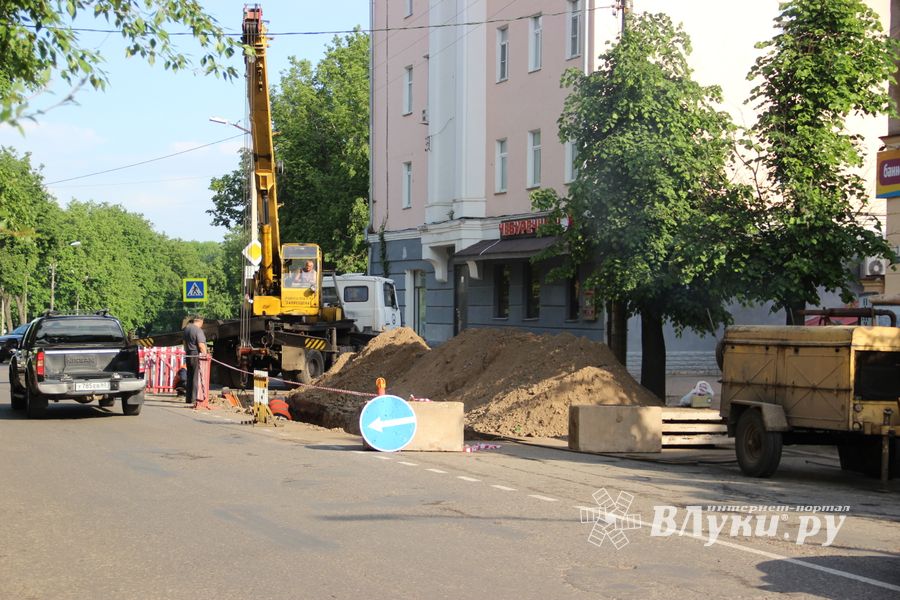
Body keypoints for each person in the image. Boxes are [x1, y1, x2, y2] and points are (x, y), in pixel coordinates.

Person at [182, 315, 207, 405]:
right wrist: (205, 355)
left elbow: (184, 343)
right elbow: (201, 345)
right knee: (195, 377)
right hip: (196, 354)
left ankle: (188, 398)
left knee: (189, 375)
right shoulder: (198, 330)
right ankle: (194, 398)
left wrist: (187, 351)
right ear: (200, 321)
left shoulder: (186, 329)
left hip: (188, 354)